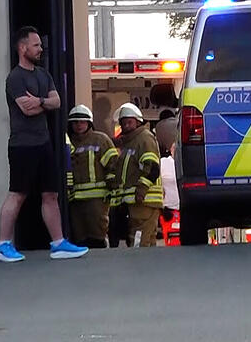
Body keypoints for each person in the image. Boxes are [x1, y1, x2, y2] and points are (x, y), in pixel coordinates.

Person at [0, 26, 88, 262]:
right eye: (36, 45)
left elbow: (56, 101)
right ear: (23, 48)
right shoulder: (14, 78)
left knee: (50, 194)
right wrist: (42, 103)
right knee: (18, 193)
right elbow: (26, 108)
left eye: (40, 46)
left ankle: (59, 243)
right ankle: (2, 245)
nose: (40, 49)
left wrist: (41, 101)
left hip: (43, 144)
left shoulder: (43, 75)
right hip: (22, 146)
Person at [110, 103, 163, 247]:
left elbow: (152, 167)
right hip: (135, 203)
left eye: (130, 122)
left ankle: (140, 268)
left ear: (138, 121)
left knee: (138, 244)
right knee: (146, 243)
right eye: (123, 123)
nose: (126, 126)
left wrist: (141, 190)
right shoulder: (129, 143)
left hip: (144, 201)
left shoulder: (144, 138)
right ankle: (148, 269)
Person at [67, 104, 118, 248]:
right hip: (75, 199)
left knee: (97, 234)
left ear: (89, 123)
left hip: (96, 199)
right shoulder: (67, 142)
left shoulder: (100, 140)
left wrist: (112, 187)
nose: (78, 125)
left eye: (82, 122)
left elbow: (113, 164)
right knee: (79, 237)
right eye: (75, 122)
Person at [160, 142, 181, 245]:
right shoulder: (164, 163)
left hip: (185, 210)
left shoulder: (187, 163)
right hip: (169, 211)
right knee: (171, 240)